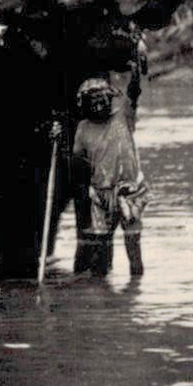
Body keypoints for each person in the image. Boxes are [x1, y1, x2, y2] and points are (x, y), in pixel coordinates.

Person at [65, 73, 149, 277]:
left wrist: (136, 69)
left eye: (100, 101)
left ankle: (134, 294)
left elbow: (134, 92)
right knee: (100, 249)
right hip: (101, 194)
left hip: (130, 192)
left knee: (133, 247)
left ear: (109, 100)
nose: (96, 106)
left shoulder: (124, 116)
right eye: (91, 102)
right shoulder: (83, 128)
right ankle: (103, 298)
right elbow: (78, 163)